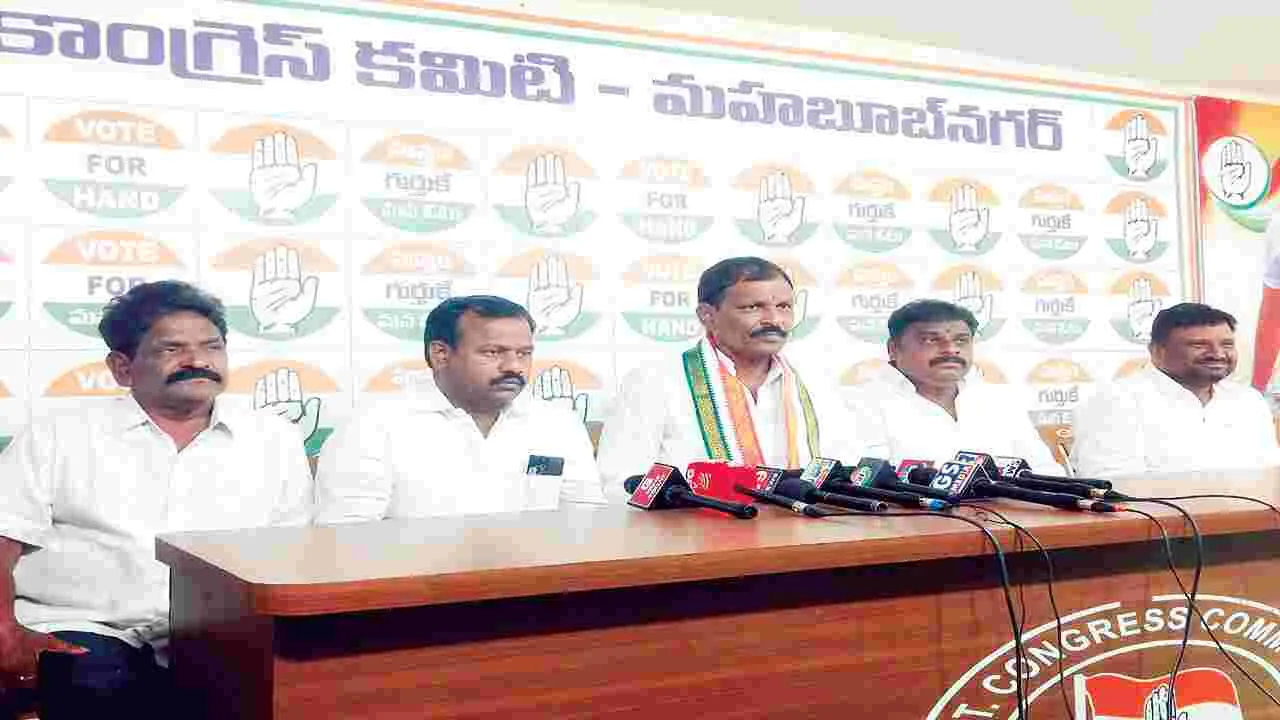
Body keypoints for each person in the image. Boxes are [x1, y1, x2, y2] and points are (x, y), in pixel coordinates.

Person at [0, 281, 312, 720]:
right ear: (122, 367)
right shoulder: (58, 435)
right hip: (86, 626)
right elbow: (3, 537)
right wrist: (5, 633)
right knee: (97, 685)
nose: (198, 361)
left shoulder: (274, 439)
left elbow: (291, 554)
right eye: (172, 349)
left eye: (212, 346)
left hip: (220, 633)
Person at [316, 295, 605, 521]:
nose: (514, 366)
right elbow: (347, 538)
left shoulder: (558, 423)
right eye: (493, 352)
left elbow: (587, 524)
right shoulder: (372, 424)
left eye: (524, 353)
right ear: (441, 354)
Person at [597, 257, 866, 497]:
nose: (774, 319)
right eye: (753, 307)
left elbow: (848, 472)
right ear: (707, 316)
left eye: (784, 306)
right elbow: (621, 485)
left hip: (804, 531)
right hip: (694, 534)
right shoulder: (654, 381)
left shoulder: (814, 382)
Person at [1072, 302, 1280, 477]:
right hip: (1158, 515)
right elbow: (1114, 485)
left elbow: (1271, 474)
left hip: (1256, 512)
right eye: (1199, 345)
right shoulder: (1115, 400)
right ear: (1157, 351)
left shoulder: (1248, 400)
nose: (1217, 354)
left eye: (1227, 344)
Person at [851, 299, 1061, 470]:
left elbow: (1045, 472)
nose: (951, 349)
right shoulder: (858, 404)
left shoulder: (998, 400)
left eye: (961, 340)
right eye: (931, 340)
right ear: (893, 349)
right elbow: (860, 484)